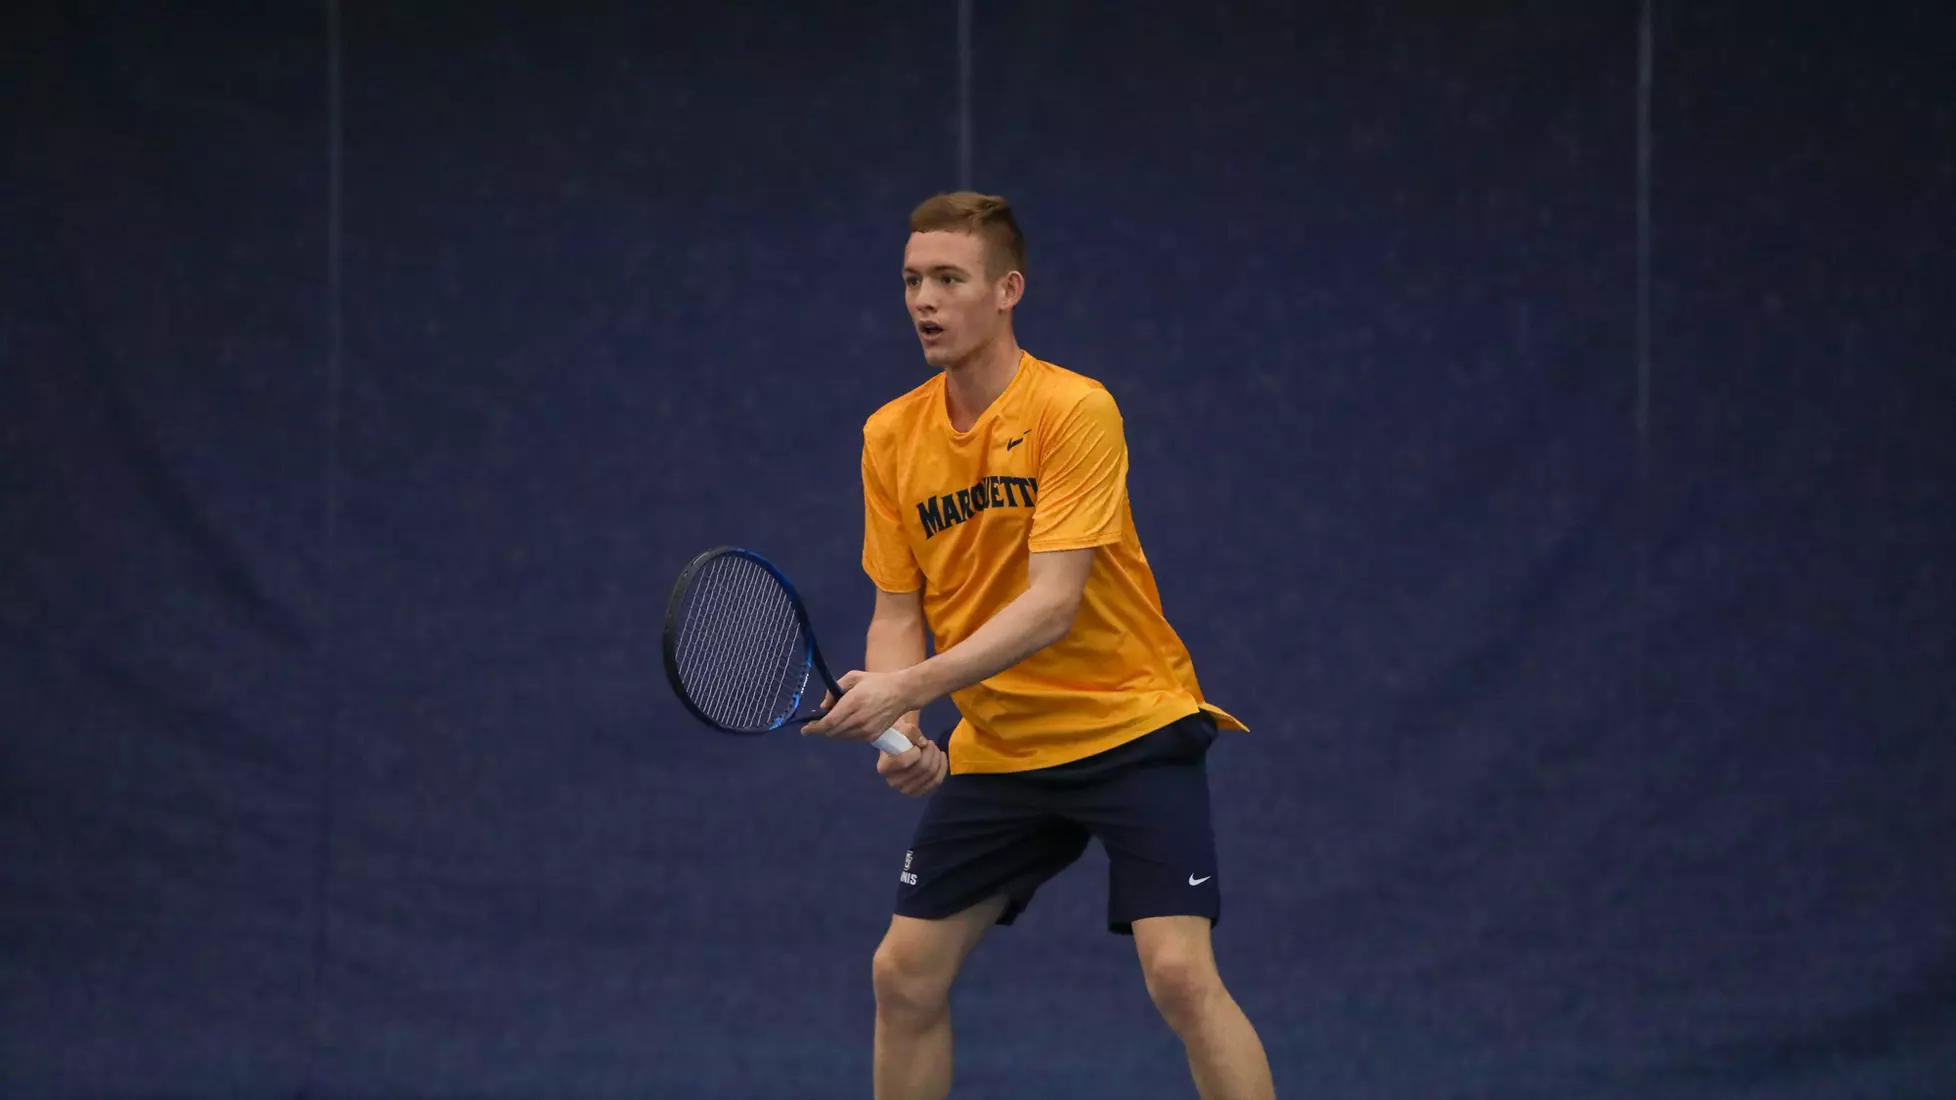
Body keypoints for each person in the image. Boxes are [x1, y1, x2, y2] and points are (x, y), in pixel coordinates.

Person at [803, 192, 1276, 1100]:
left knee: (1179, 975)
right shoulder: (890, 436)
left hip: (1128, 726)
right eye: (911, 280)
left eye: (949, 278)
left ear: (1008, 289)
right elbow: (898, 608)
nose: (924, 301)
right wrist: (901, 725)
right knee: (902, 975)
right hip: (1005, 749)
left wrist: (911, 687)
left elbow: (1053, 604)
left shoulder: (1074, 411)